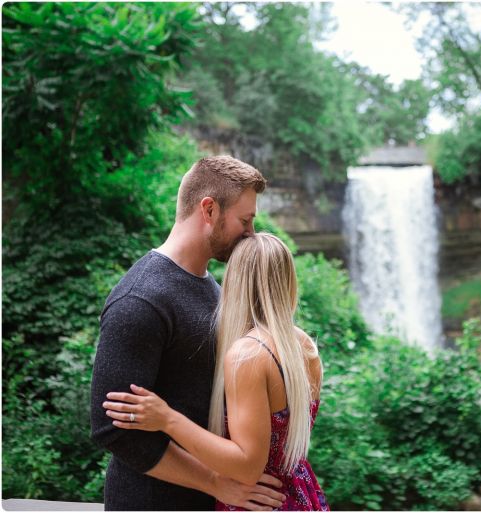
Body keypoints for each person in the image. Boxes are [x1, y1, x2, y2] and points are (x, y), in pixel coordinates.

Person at [90, 155, 287, 511]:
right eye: (245, 220)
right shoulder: (140, 299)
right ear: (209, 210)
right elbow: (113, 430)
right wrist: (213, 482)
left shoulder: (215, 288)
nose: (251, 233)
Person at [101, 233, 330, 511]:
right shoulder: (304, 346)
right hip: (299, 493)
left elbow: (247, 467)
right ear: (289, 282)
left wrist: (167, 418)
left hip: (255, 500)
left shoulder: (248, 355)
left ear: (236, 281)